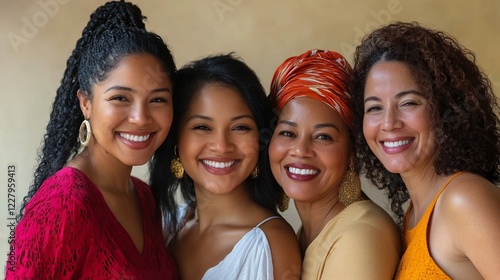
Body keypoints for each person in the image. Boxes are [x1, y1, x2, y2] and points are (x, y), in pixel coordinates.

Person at [6, 1, 178, 279]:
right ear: (86, 103)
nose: (141, 117)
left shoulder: (144, 197)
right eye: (120, 98)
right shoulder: (63, 204)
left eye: (157, 99)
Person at [350, 21, 500, 279]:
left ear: (445, 109)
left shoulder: (464, 200)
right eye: (374, 108)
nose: (388, 123)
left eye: (408, 103)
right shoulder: (413, 216)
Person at [152, 53, 302, 280]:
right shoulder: (170, 224)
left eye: (240, 127)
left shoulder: (269, 243)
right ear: (176, 140)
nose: (222, 147)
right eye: (202, 127)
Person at [267, 49, 401, 280]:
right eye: (288, 133)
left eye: (323, 137)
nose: (300, 150)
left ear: (352, 152)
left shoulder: (361, 235)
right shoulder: (308, 232)